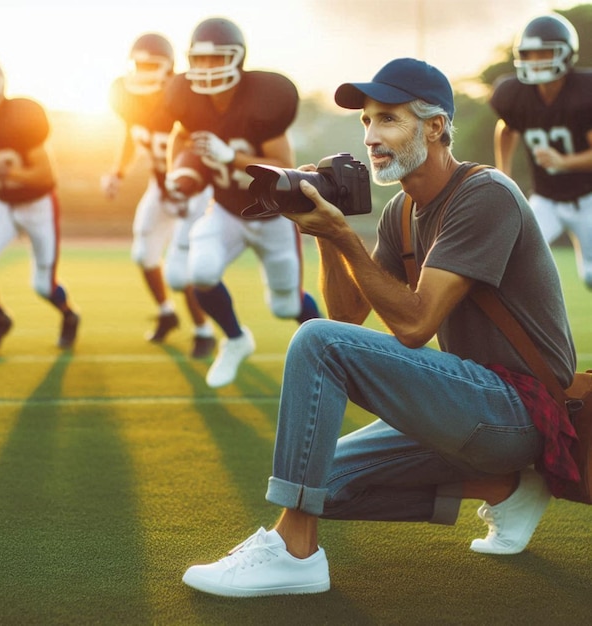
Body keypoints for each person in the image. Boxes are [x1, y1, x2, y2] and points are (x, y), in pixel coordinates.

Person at [181, 58, 578, 597]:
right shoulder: (401, 214)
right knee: (320, 480)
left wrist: (346, 237)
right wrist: (320, 231)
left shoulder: (485, 195)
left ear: (435, 126)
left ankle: (295, 552)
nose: (370, 135)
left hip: (518, 408)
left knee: (313, 342)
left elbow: (414, 326)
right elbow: (346, 317)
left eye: (387, 119)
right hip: (465, 404)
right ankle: (504, 486)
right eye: (366, 121)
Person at [165, 17, 322, 388]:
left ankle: (334, 351)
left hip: (273, 216)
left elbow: (285, 169)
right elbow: (180, 137)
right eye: (199, 61)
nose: (205, 69)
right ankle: (235, 340)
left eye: (215, 59)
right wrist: (177, 172)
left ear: (237, 59)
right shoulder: (190, 102)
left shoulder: (263, 101)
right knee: (199, 272)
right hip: (225, 210)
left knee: (285, 305)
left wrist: (230, 157)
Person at [102, 33, 216, 357]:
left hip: (194, 188)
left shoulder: (184, 98)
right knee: (143, 254)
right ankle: (167, 313)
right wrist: (118, 172)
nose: (144, 70)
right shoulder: (129, 100)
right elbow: (130, 136)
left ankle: (203, 330)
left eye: (151, 64)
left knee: (181, 270)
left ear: (169, 68)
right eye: (139, 63)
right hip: (160, 184)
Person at [0, 54, 80, 354]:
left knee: (43, 286)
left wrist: (8, 171)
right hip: (2, 204)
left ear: (0, 84)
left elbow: (46, 173)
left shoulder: (22, 115)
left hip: (38, 204)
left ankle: (69, 315)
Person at [490, 13, 592, 289]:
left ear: (566, 54)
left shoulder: (585, 93)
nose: (536, 61)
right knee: (512, 262)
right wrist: (504, 174)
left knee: (591, 276)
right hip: (545, 198)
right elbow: (507, 128)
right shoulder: (513, 94)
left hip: (588, 199)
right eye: (530, 54)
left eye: (544, 52)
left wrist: (565, 162)